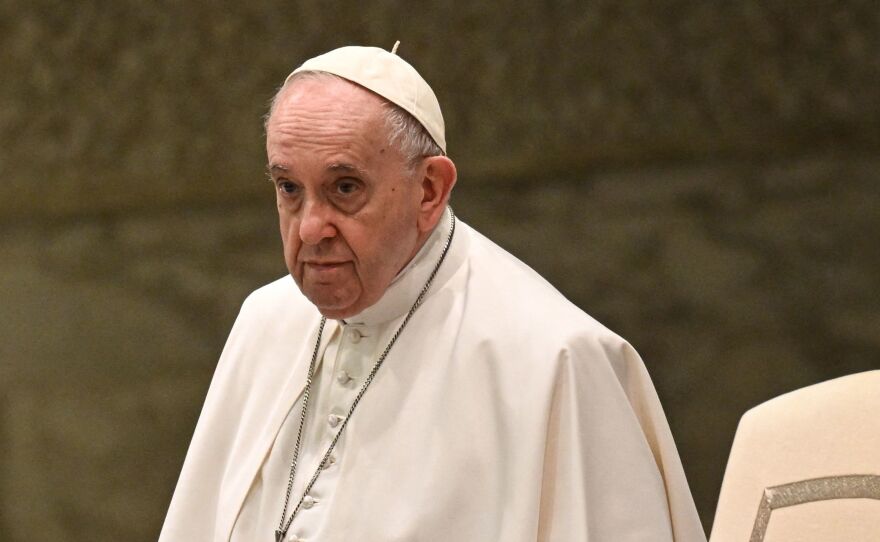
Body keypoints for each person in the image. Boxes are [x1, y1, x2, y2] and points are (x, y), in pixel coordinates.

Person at [159, 44, 705, 542]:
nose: (310, 228)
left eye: (344, 188)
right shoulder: (266, 321)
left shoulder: (556, 359)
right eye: (289, 189)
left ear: (429, 190)